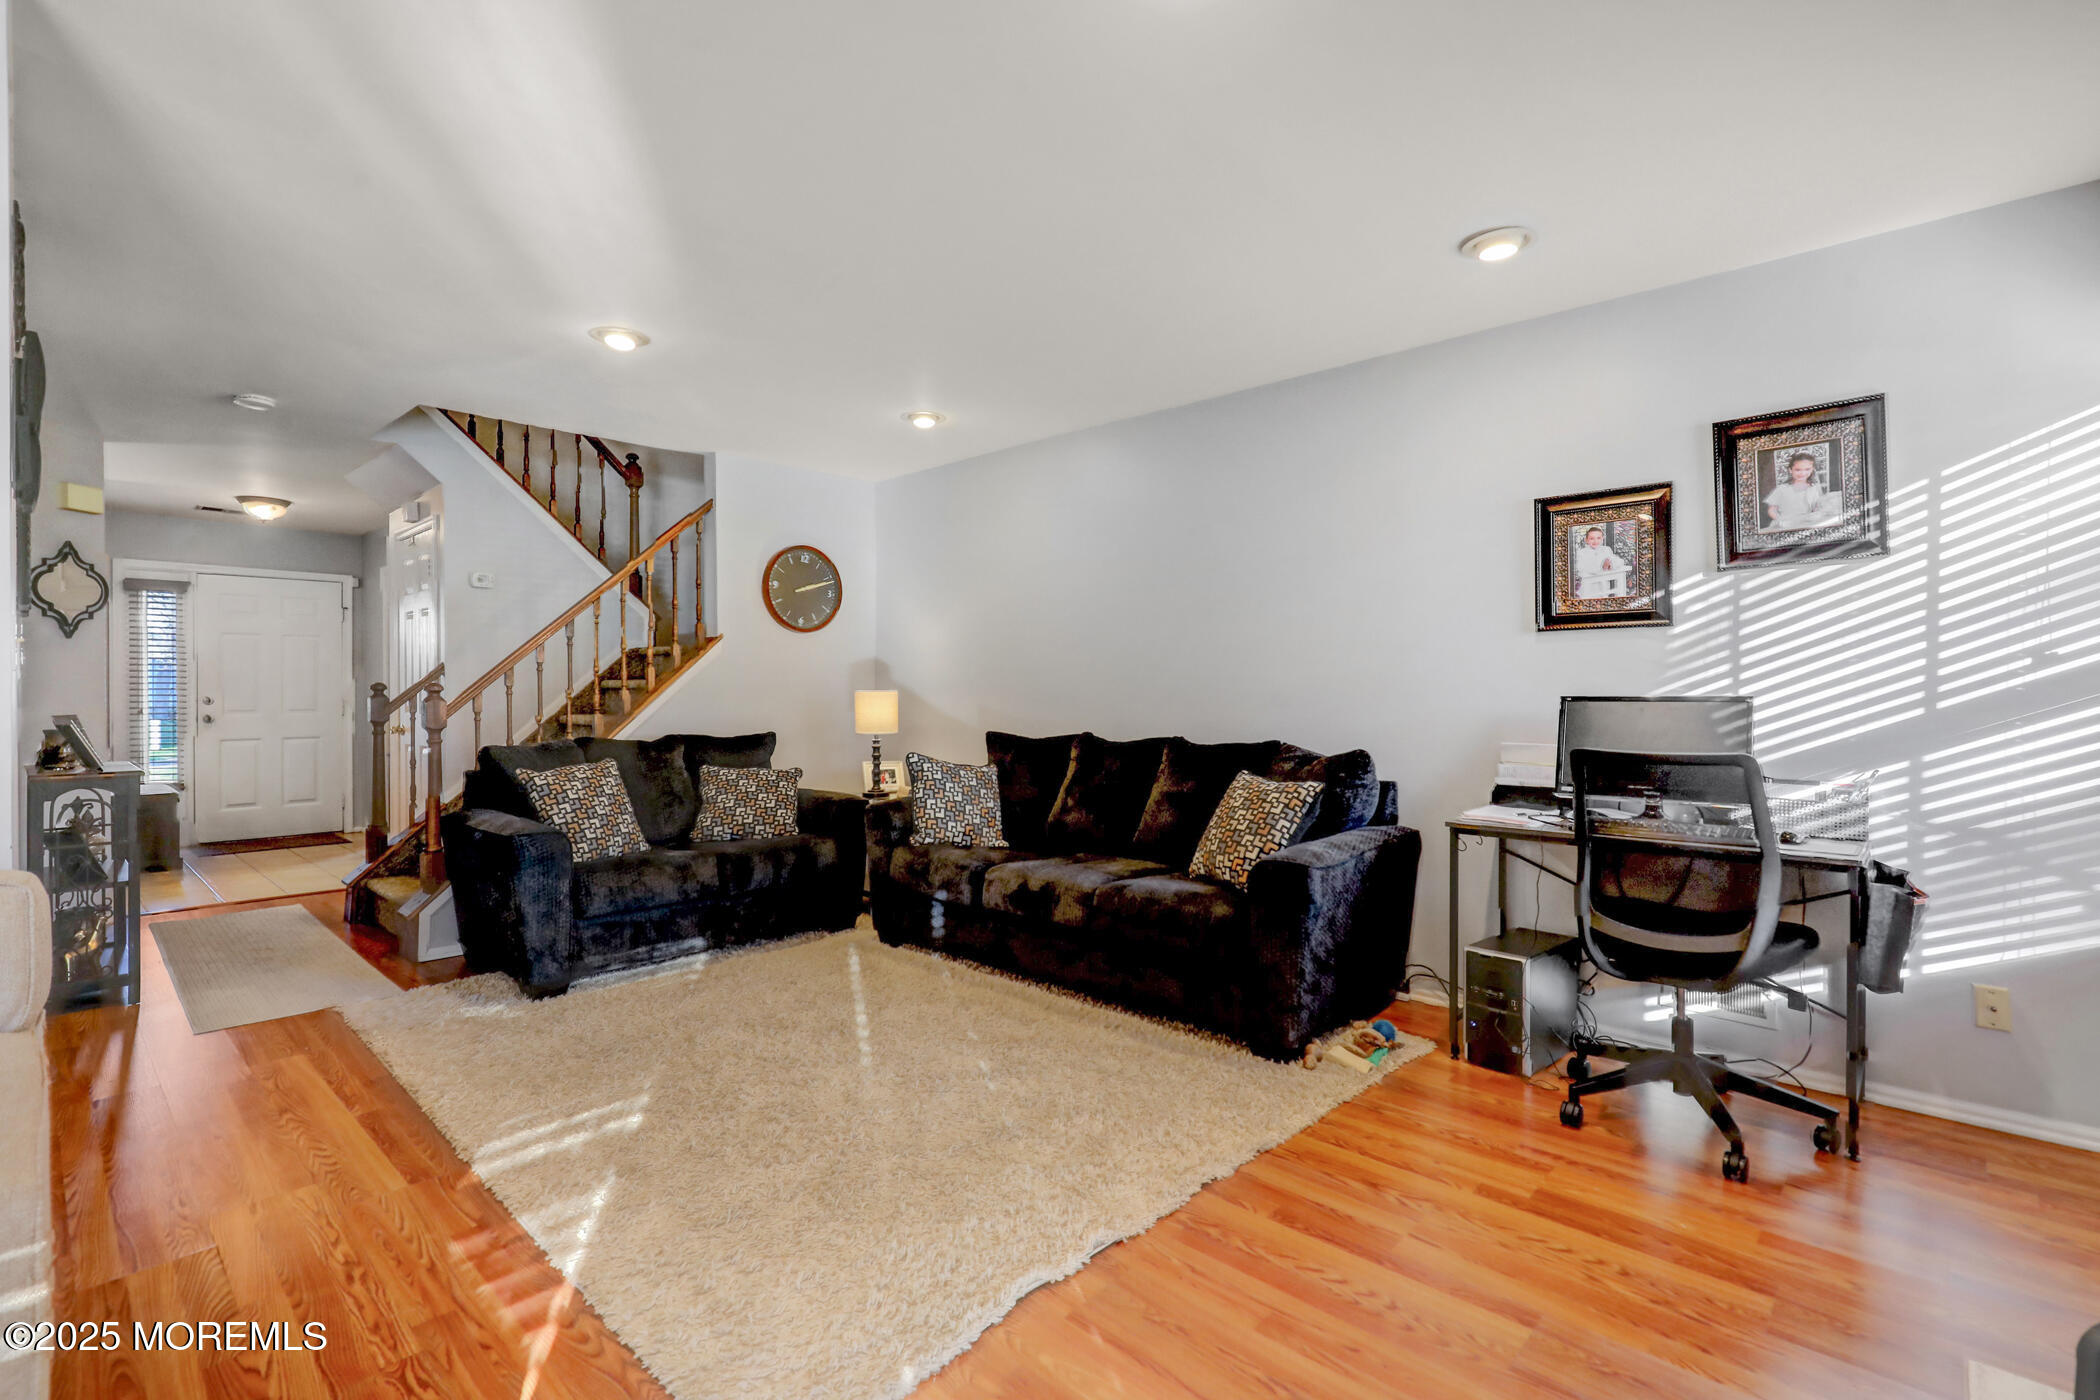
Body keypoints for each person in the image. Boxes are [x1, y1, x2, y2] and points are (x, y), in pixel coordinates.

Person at [1764, 451, 1843, 530]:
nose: (1802, 473)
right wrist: (1780, 520)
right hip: (1785, 523)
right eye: (1798, 470)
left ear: (1812, 469)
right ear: (1790, 470)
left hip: (1805, 523)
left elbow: (1816, 507)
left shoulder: (1813, 488)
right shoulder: (1782, 489)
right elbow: (1772, 510)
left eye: (1807, 469)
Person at [1572, 525, 1628, 599]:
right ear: (1586, 540)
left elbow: (1619, 561)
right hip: (1589, 586)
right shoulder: (1582, 552)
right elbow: (1583, 567)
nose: (1595, 541)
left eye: (1598, 538)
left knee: (1603, 599)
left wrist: (1611, 563)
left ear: (1602, 539)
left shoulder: (1606, 550)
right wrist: (1602, 565)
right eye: (1592, 538)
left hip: (1603, 586)